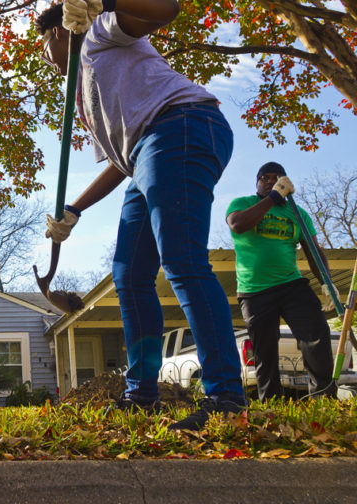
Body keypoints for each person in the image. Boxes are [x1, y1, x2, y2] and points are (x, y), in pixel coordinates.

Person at [36, 0, 245, 430]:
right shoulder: (87, 92)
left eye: (41, 45)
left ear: (57, 33)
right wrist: (74, 209)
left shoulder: (99, 34)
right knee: (129, 275)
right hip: (147, 152)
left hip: (180, 126)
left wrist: (102, 2)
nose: (43, 57)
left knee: (182, 261)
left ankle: (226, 398)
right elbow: (121, 162)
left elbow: (165, 9)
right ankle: (141, 395)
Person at [226, 162, 338, 400]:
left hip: (291, 285)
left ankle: (324, 397)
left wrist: (327, 282)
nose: (270, 181)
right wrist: (274, 197)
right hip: (254, 291)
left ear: (286, 184)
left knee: (316, 333)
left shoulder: (298, 214)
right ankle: (272, 406)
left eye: (277, 178)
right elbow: (238, 225)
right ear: (257, 182)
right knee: (264, 352)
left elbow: (313, 251)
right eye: (265, 178)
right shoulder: (243, 204)